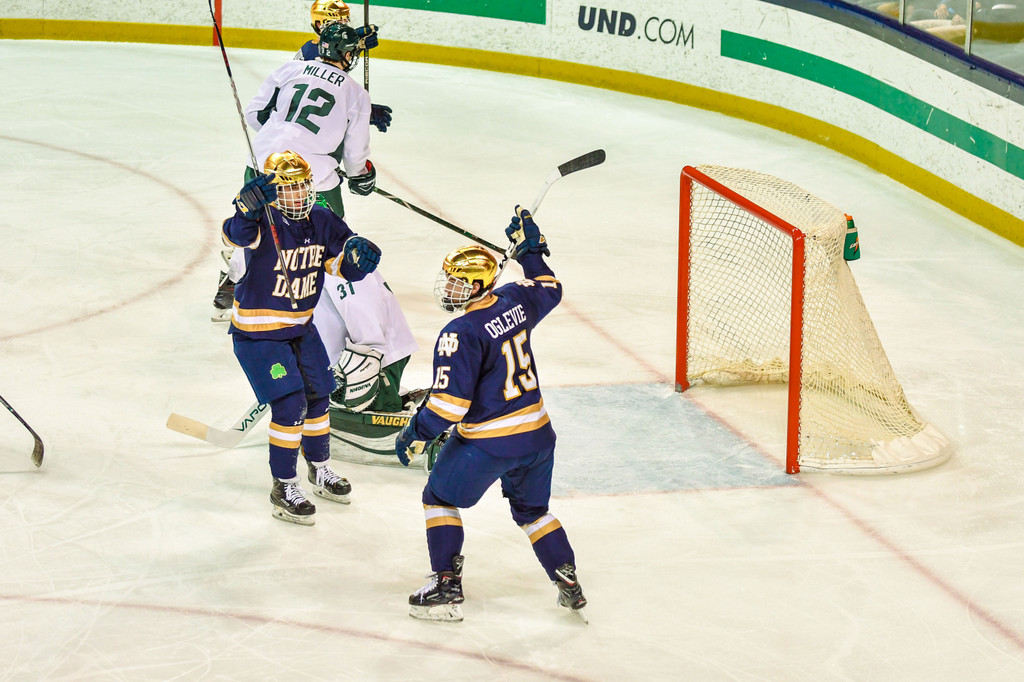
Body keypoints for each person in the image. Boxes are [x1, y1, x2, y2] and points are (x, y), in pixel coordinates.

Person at [212, 22, 420, 424]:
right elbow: (357, 160)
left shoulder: (292, 67)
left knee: (262, 242)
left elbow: (256, 114)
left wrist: (288, 138)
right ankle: (352, 361)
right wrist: (360, 174)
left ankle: (241, 286)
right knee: (323, 256)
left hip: (261, 169)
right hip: (314, 181)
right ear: (348, 55)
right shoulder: (354, 90)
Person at [394, 207, 588, 623]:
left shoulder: (459, 334)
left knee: (438, 498)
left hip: (488, 444)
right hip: (537, 437)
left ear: (478, 285)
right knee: (533, 513)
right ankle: (567, 579)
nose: (448, 287)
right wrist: (531, 253)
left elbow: (449, 406)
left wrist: (416, 431)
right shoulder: (515, 299)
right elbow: (549, 286)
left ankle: (447, 587)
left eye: (458, 282)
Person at [224, 149, 382, 526]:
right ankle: (284, 485)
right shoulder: (260, 217)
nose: (299, 194)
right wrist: (245, 211)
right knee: (290, 405)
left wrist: (358, 260)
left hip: (301, 329)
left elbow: (343, 259)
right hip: (259, 336)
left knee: (318, 399)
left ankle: (320, 469)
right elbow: (236, 234)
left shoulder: (322, 219)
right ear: (273, 190)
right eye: (289, 188)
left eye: (304, 186)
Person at [296, 0, 393, 135]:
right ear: (319, 25)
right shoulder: (316, 56)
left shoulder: (320, 50)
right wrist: (362, 111)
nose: (343, 27)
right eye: (337, 23)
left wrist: (355, 45)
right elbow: (321, 107)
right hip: (302, 131)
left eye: (345, 22)